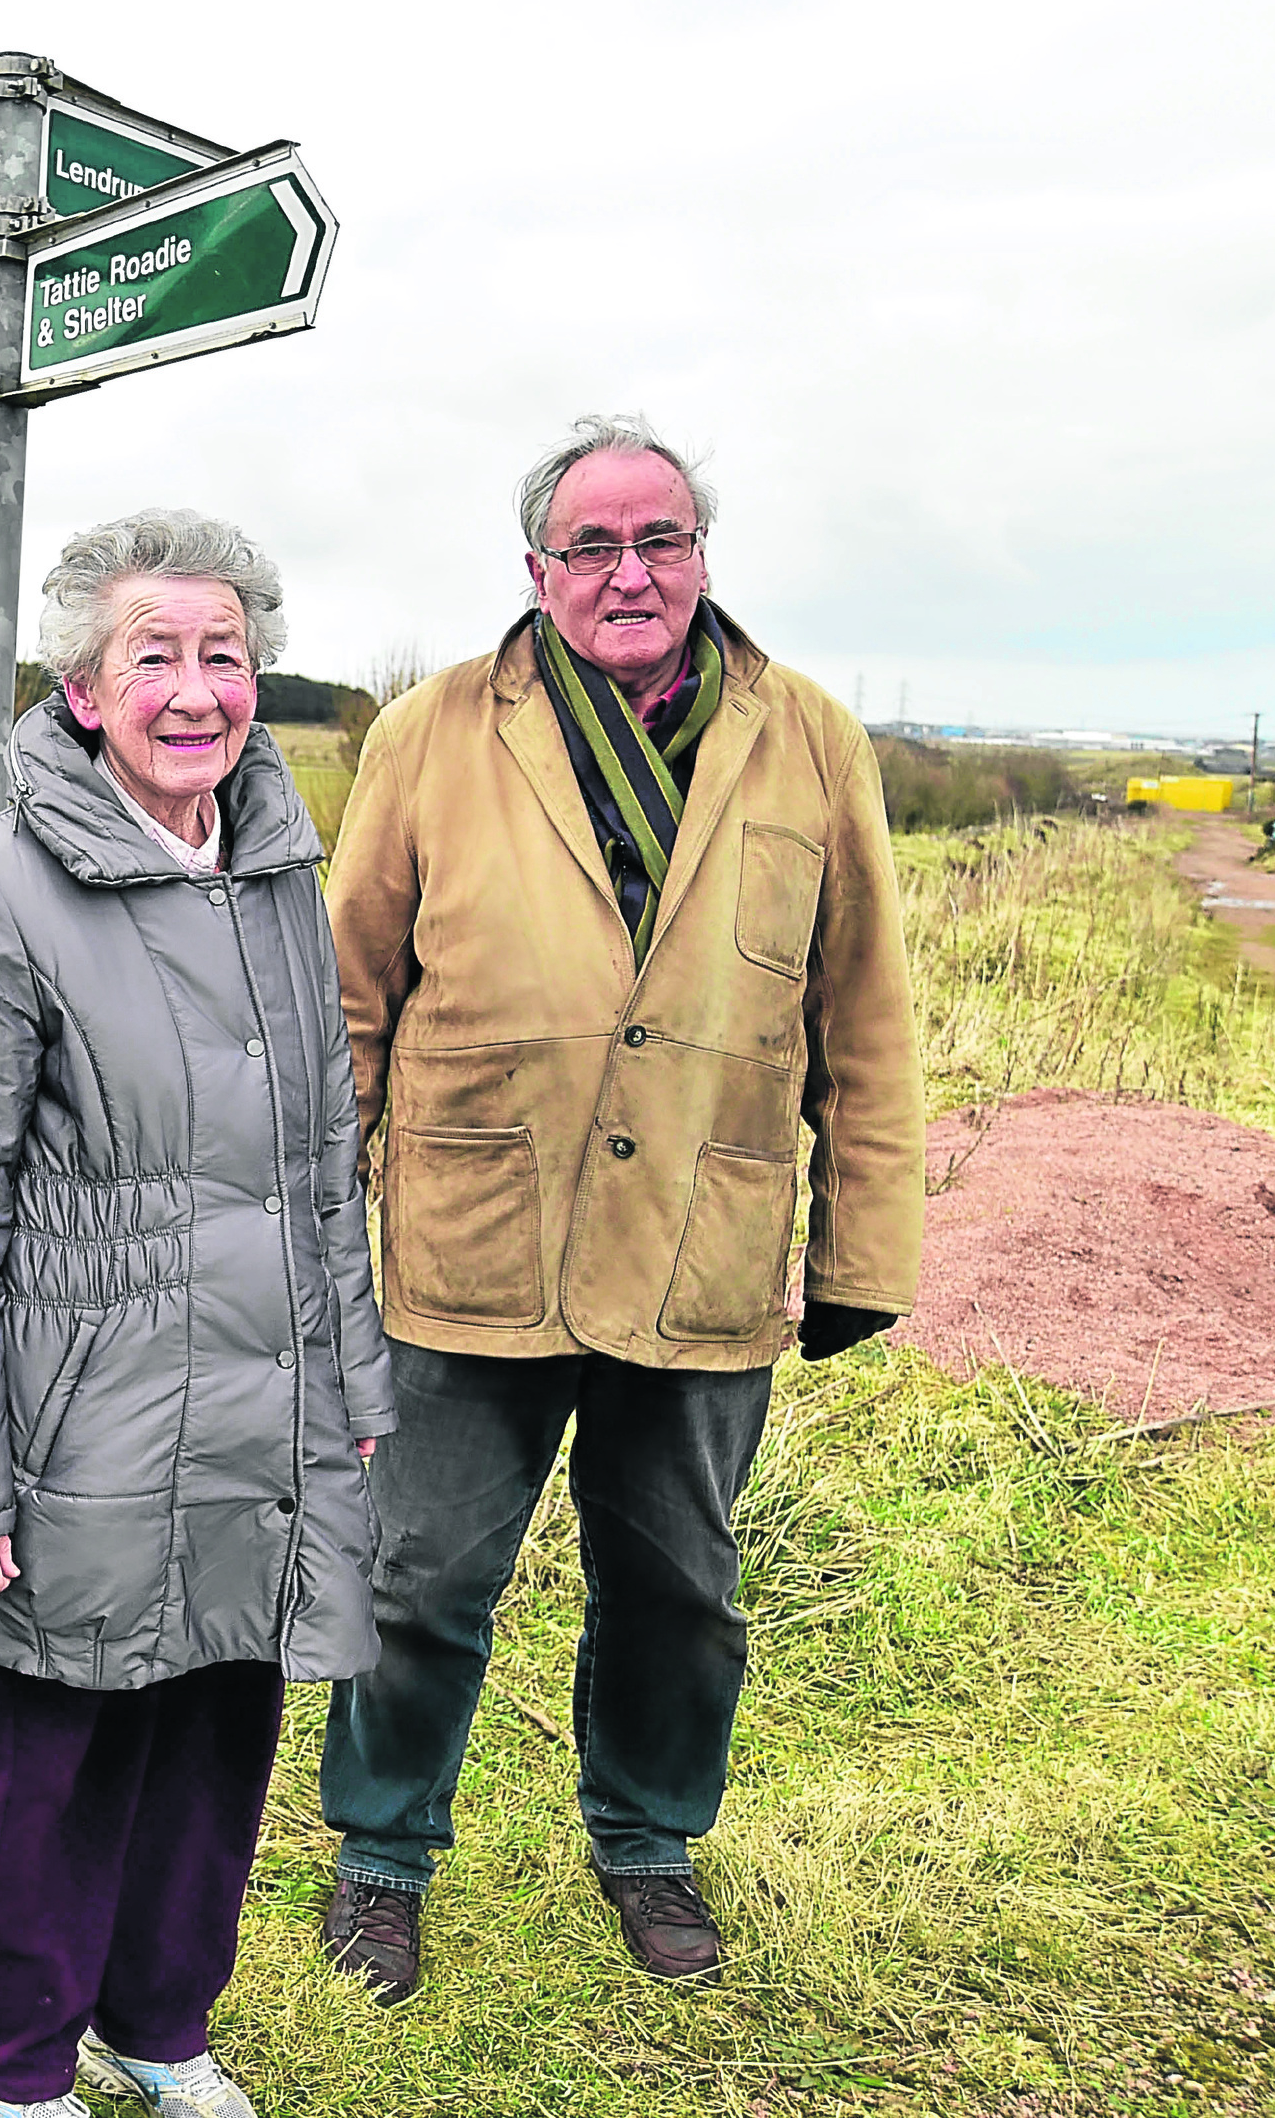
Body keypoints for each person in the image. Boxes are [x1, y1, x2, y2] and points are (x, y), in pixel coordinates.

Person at [312, 416, 922, 1995]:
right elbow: (346, 1003)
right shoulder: (432, 730)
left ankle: (647, 1845)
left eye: (660, 539)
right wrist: (308, 1234)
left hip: (700, 1252)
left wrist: (862, 1250)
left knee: (677, 1581)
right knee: (418, 1574)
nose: (629, 571)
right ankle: (381, 1856)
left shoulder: (809, 739)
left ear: (703, 556)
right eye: (592, 546)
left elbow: (861, 1017)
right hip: (468, 1241)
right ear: (538, 572)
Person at [0, 511, 394, 2118]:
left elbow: (323, 1162)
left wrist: (356, 1396)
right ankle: (15, 2070)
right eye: (153, 656)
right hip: (78, 1410)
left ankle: (158, 2028)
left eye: (224, 655)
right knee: (49, 1757)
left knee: (213, 1731)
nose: (196, 691)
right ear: (83, 689)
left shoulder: (276, 874)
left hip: (266, 1400)